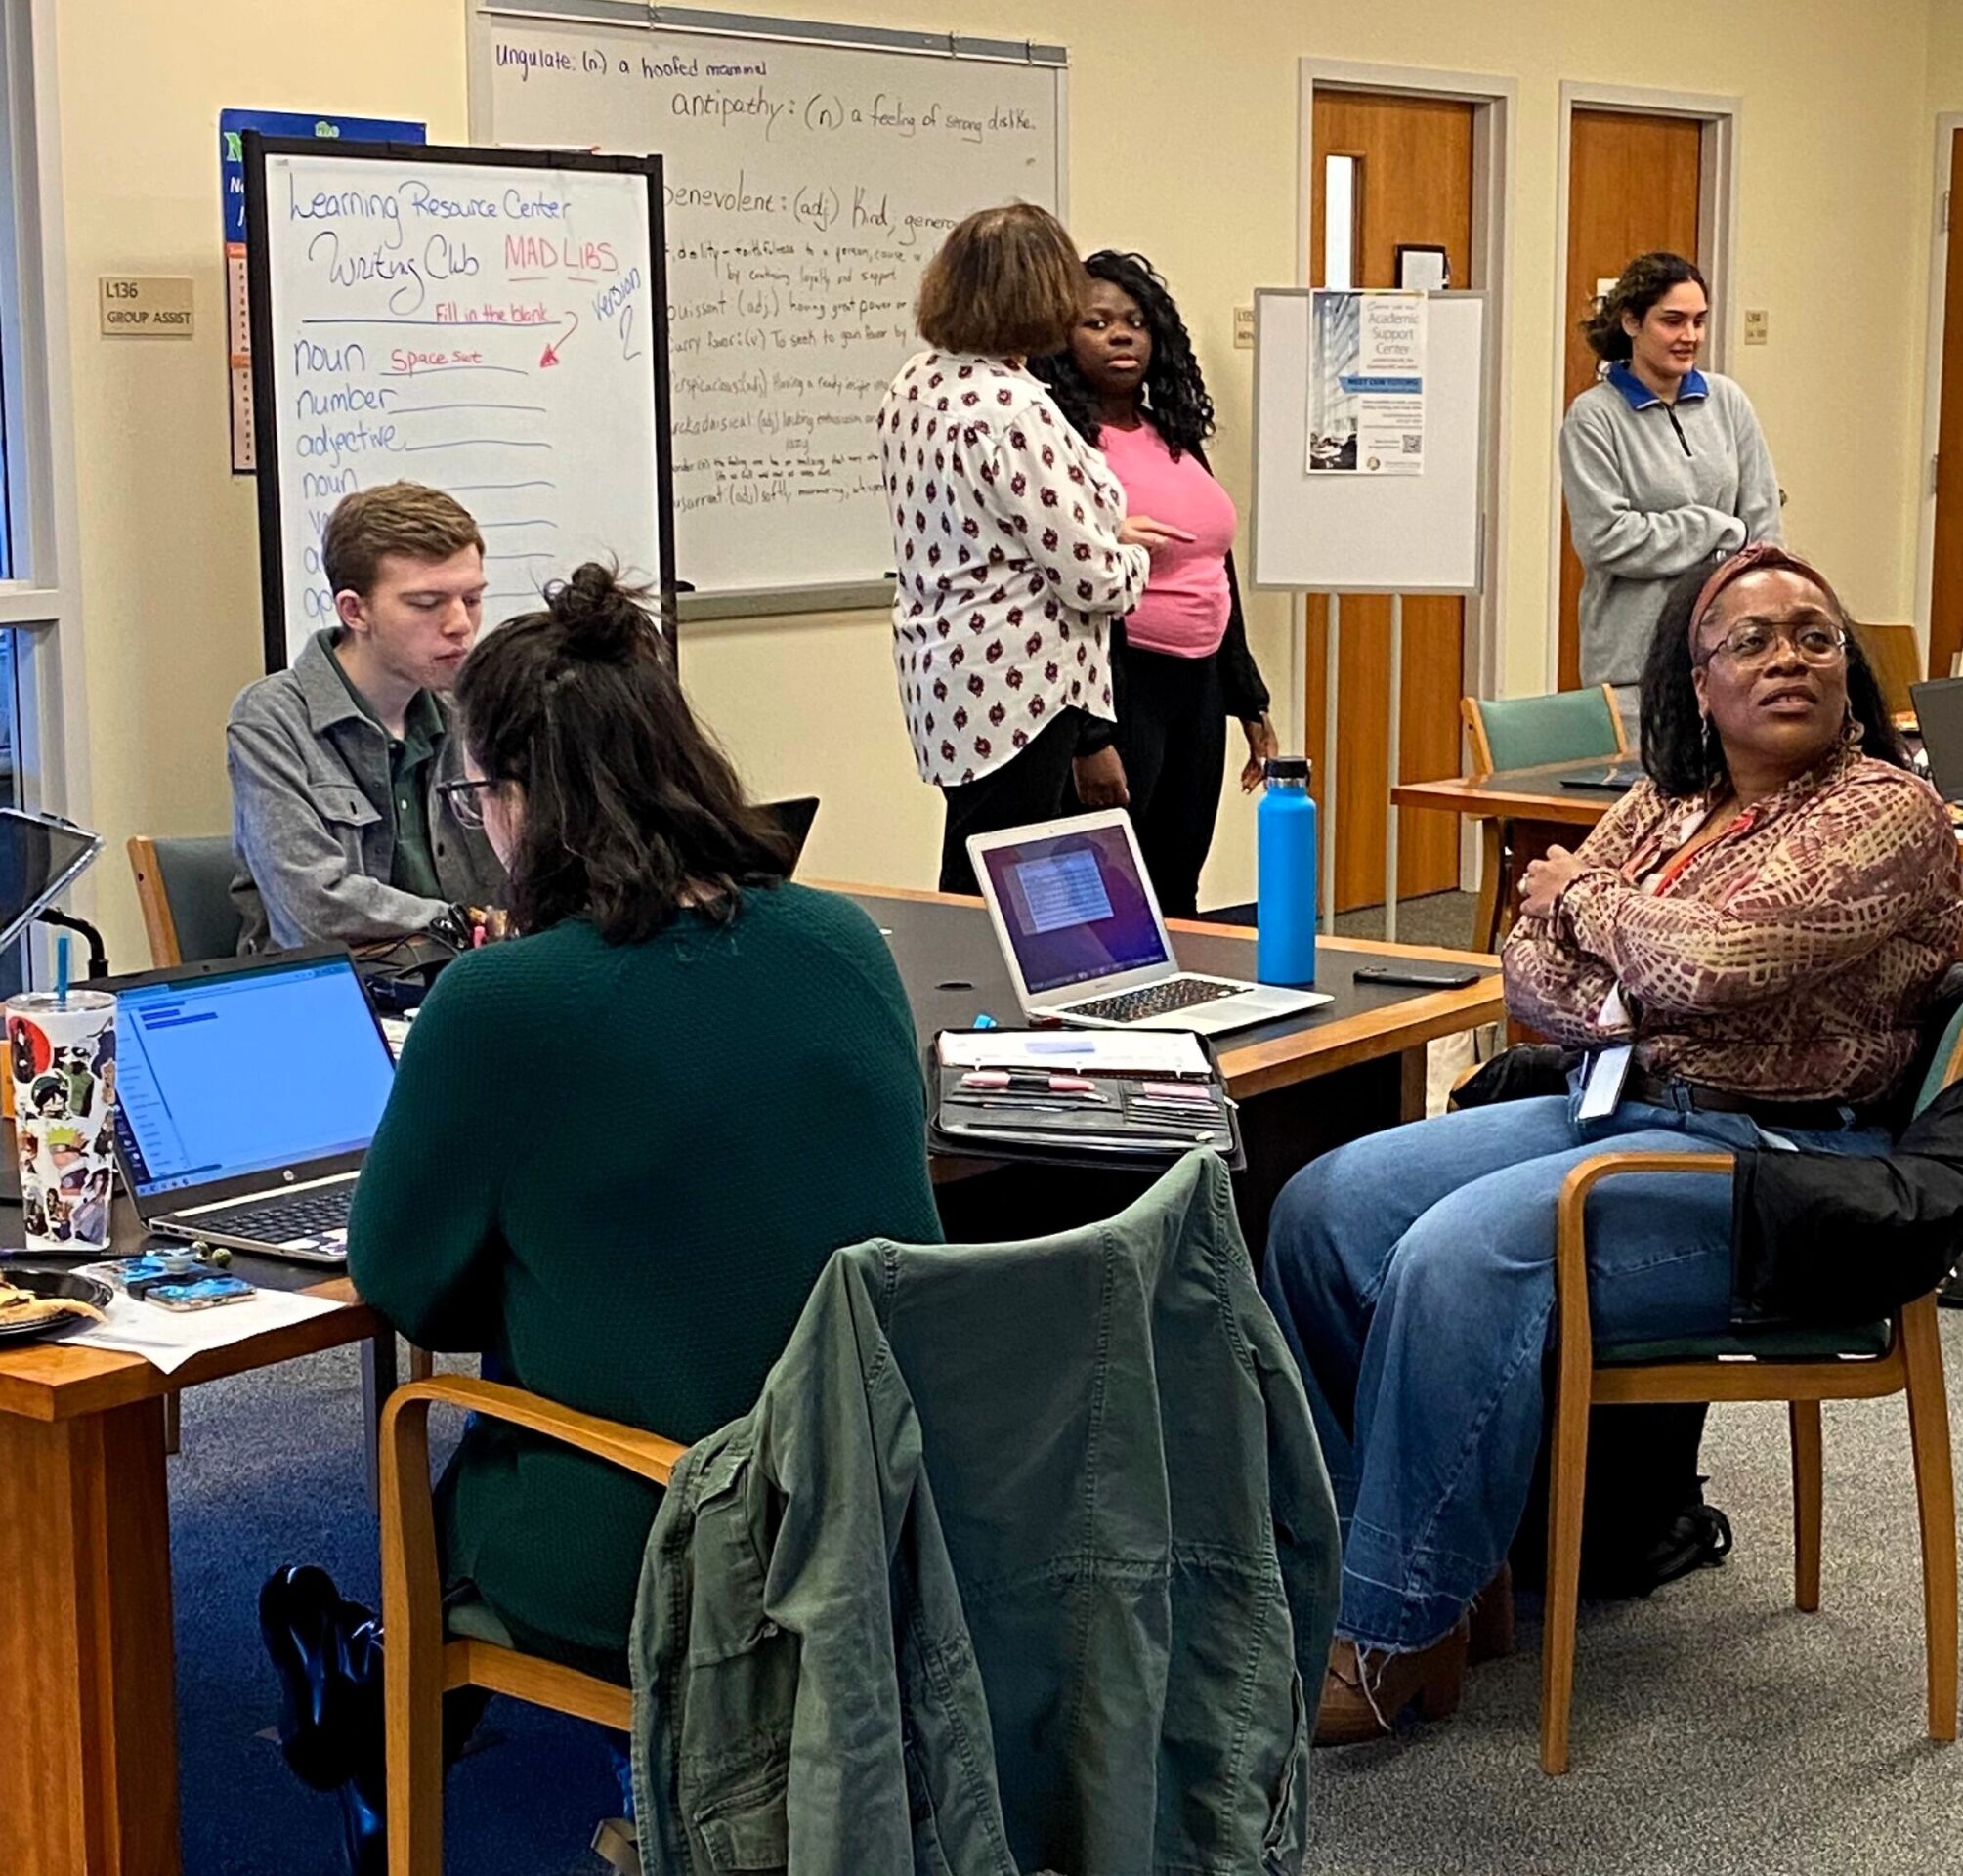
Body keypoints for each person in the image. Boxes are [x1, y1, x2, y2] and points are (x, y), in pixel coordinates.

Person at [261, 564, 943, 1873]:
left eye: (479, 798)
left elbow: (408, 1285)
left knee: (471, 1456)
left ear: (519, 799)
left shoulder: (505, 1003)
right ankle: (373, 1692)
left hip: (675, 1529)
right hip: (884, 1497)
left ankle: (380, 1691)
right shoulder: (844, 940)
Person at [1260, 544, 1962, 1744]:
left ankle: (1392, 1632)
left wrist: (1589, 906)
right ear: (1695, 682)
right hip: (1633, 1104)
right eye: (1750, 639)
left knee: (1460, 1258)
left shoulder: (1883, 814)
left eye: (1814, 635)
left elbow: (1715, 959)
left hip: (1783, 1170)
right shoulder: (1673, 803)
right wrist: (1620, 962)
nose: (1788, 657)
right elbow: (1529, 975)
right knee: (1324, 1206)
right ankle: (1379, 1575)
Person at [877, 204, 1187, 894]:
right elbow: (1093, 581)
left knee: (973, 864)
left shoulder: (915, 384)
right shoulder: (1012, 408)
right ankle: (991, 1004)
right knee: (1007, 888)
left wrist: (1104, 530)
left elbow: (990, 522)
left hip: (945, 672)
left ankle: (972, 1000)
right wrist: (1136, 556)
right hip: (1020, 685)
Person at [1031, 251, 1277, 915]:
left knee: (1178, 873)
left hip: (1195, 689)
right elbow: (1061, 591)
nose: (1121, 335)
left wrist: (1247, 698)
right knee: (1110, 888)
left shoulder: (1173, 434)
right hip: (1121, 682)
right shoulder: (1059, 442)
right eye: (1097, 322)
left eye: (1135, 322)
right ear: (1060, 335)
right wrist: (1090, 736)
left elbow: (1213, 567)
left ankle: (1178, 1011)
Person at [228, 481, 506, 951]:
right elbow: (315, 911)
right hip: (334, 999)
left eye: (472, 600)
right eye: (427, 603)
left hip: (466, 983)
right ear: (354, 611)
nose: (460, 624)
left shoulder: (474, 708)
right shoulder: (272, 719)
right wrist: (465, 920)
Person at [1559, 252, 1783, 691]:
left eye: (1699, 321)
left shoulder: (1728, 401)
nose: (1690, 336)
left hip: (1728, 661)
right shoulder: (1594, 418)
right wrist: (1713, 529)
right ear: (1631, 323)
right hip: (1634, 670)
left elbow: (1763, 521)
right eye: (1673, 321)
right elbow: (1605, 539)